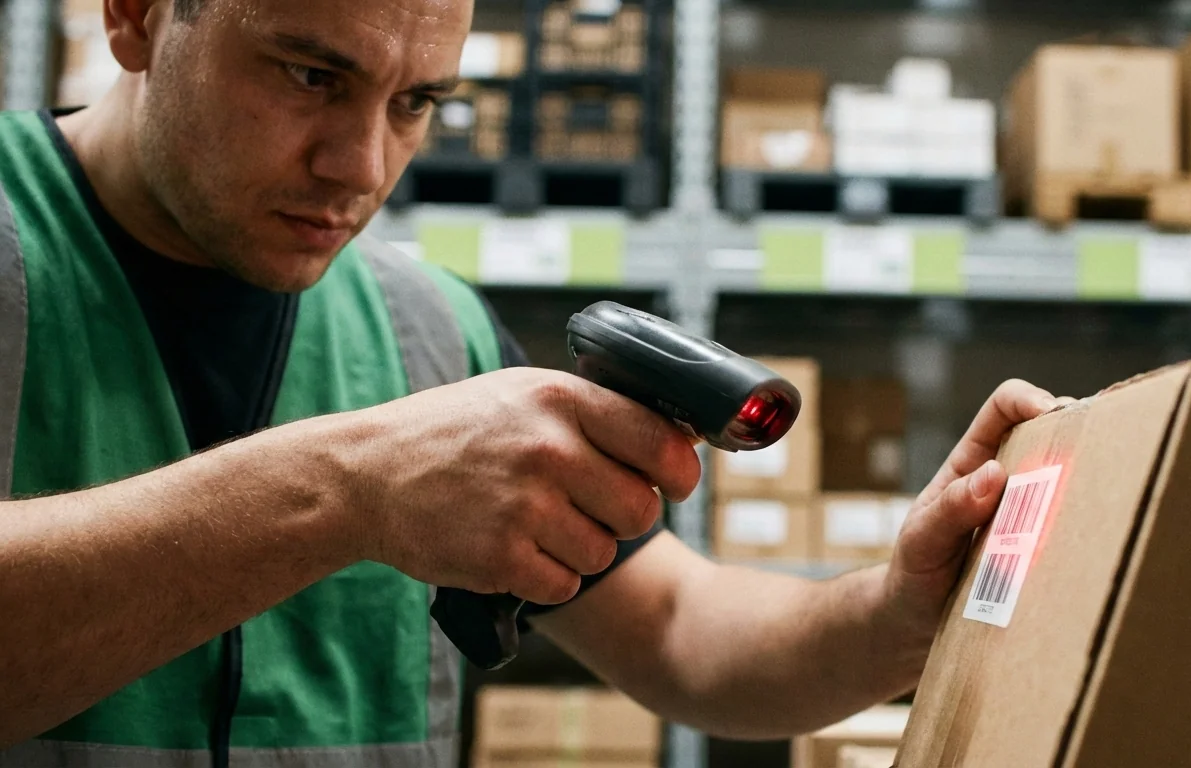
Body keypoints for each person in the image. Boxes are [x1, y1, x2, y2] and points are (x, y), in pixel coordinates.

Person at [0, 0, 1067, 763]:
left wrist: (899, 609)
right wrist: (349, 492)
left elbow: (683, 637)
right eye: (309, 75)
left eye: (416, 101)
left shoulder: (428, 327)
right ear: (135, 16)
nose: (362, 166)